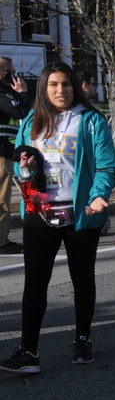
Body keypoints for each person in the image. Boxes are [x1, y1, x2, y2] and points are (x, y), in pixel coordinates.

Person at [0, 63, 115, 373]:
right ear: (43, 88)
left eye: (66, 84)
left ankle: (82, 339)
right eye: (53, 84)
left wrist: (98, 195)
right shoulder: (31, 122)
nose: (60, 90)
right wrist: (24, 169)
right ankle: (29, 352)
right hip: (40, 214)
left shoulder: (90, 121)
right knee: (35, 283)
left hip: (80, 214)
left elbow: (107, 167)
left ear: (74, 87)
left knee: (82, 278)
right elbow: (20, 168)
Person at [0, 56, 30, 255]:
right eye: (10, 72)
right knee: (2, 197)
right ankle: (1, 241)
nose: (14, 76)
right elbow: (20, 111)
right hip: (1, 152)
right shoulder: (2, 92)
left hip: (5, 151)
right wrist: (23, 93)